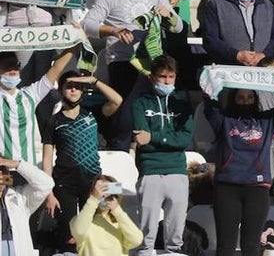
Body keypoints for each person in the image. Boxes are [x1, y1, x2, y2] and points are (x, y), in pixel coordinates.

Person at [82, 0, 181, 148]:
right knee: (124, 120)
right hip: (123, 62)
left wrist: (167, 15)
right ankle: (120, 151)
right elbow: (88, 24)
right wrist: (113, 30)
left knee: (151, 119)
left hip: (152, 65)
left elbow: (178, 27)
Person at [203, 88, 274, 256]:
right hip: (227, 188)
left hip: (257, 189)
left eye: (250, 97)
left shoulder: (267, 120)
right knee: (226, 246)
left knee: (251, 245)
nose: (245, 101)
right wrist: (209, 81)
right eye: (241, 97)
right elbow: (209, 104)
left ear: (255, 99)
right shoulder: (224, 119)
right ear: (233, 99)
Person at [43, 70, 124, 252]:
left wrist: (94, 81)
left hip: (93, 183)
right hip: (64, 184)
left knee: (96, 231)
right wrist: (49, 193)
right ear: (61, 90)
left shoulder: (93, 114)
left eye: (78, 87)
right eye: (69, 86)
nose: (73, 90)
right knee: (69, 234)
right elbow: (47, 159)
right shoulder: (53, 121)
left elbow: (117, 100)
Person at [131, 56, 193, 256]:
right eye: (162, 76)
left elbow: (184, 140)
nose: (166, 81)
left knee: (175, 237)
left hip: (177, 172)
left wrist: (154, 137)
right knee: (146, 237)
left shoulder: (182, 105)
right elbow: (141, 139)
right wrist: (167, 141)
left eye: (171, 77)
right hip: (150, 172)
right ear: (152, 77)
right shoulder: (140, 103)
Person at [69, 176, 144, 256]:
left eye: (108, 190)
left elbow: (136, 240)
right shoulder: (82, 221)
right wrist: (93, 199)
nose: (104, 196)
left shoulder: (120, 222)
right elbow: (79, 231)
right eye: (99, 190)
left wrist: (117, 210)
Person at [0, 152, 55, 256]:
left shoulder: (19, 198)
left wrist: (16, 164)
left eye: (3, 170)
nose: (0, 175)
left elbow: (47, 184)